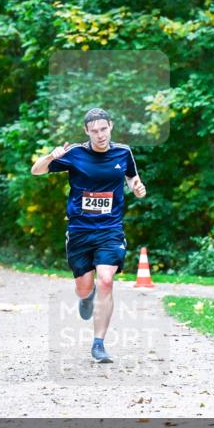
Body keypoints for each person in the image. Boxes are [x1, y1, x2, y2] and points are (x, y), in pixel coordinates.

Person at [30, 107, 147, 363]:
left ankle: (99, 344)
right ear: (86, 131)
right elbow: (36, 170)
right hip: (80, 231)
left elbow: (132, 180)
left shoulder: (123, 152)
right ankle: (86, 296)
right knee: (84, 289)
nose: (100, 135)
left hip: (110, 229)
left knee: (106, 279)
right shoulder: (75, 154)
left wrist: (138, 189)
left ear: (111, 127)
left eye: (103, 129)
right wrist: (52, 155)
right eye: (94, 131)